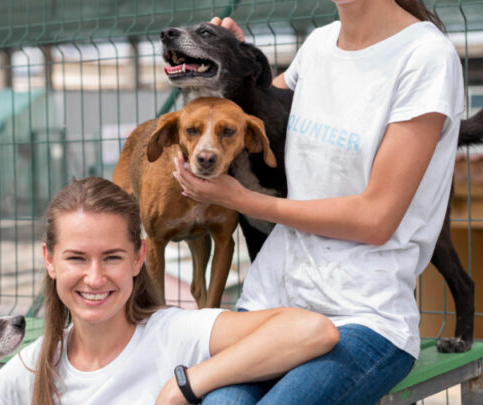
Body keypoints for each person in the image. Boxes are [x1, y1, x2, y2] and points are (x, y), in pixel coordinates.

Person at [175, 1, 464, 404]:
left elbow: (376, 219)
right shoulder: (318, 45)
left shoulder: (425, 57)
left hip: (364, 314)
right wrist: (228, 60)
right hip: (273, 301)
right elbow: (253, 112)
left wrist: (245, 200)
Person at [0, 177, 338, 405]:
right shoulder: (30, 366)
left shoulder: (173, 335)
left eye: (111, 257)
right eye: (77, 258)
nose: (94, 278)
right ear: (49, 260)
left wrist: (189, 384)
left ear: (140, 257)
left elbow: (312, 331)